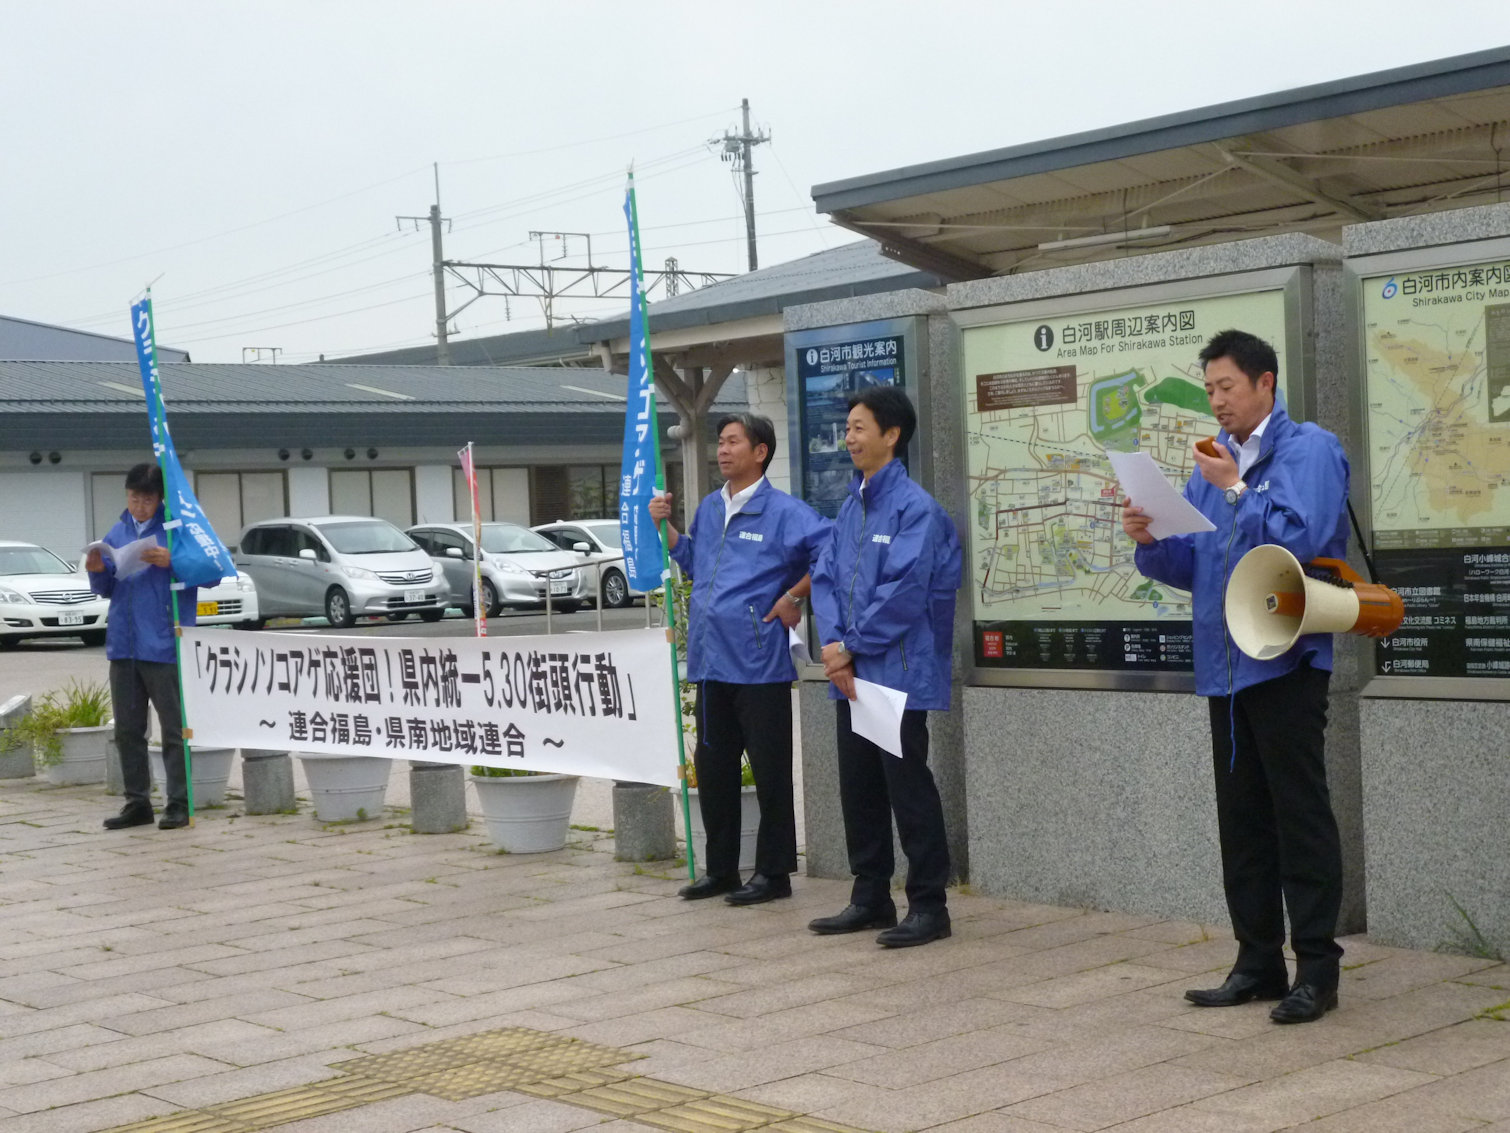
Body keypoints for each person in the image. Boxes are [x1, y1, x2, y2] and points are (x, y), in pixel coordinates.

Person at [1121, 329, 1349, 1025]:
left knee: (1299, 815)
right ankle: (1257, 960)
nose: (1216, 400)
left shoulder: (1309, 447)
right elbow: (1189, 569)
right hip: (1224, 668)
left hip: (1285, 660)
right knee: (1242, 821)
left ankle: (1317, 967)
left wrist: (1240, 486)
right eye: (1211, 388)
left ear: (1265, 383)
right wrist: (1149, 538)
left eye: (1227, 386)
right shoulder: (1209, 463)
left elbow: (1303, 538)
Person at [648, 413, 830, 905]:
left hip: (758, 662)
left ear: (760, 452)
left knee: (770, 772)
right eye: (721, 442)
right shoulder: (711, 508)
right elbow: (692, 560)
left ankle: (773, 875)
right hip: (709, 664)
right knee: (714, 771)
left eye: (733, 442)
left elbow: (831, 551)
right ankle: (721, 870)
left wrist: (794, 595)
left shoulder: (785, 512)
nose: (722, 450)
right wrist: (664, 528)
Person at [808, 386, 962, 948]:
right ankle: (869, 895)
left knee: (908, 789)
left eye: (858, 427)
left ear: (891, 435)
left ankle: (929, 905)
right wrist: (834, 646)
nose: (848, 438)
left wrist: (850, 646)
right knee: (860, 787)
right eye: (846, 428)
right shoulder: (851, 505)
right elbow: (825, 577)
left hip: (893, 673)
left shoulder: (916, 509)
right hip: (850, 672)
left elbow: (906, 590)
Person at [87, 463, 199, 831]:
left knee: (172, 730)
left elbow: (213, 569)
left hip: (164, 644)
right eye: (134, 498)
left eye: (147, 499)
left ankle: (179, 804)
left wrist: (175, 561)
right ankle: (137, 803)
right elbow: (104, 589)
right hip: (124, 646)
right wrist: (96, 569)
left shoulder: (177, 529)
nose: (139, 506)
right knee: (128, 730)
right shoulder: (117, 530)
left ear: (160, 499)